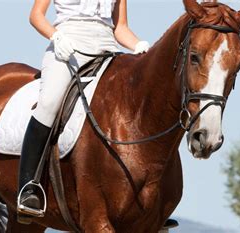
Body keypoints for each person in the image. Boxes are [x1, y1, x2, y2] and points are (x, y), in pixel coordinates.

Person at [17, 0, 150, 220]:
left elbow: (120, 27)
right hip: (68, 44)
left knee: (137, 104)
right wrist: (56, 36)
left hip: (107, 48)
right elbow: (36, 16)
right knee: (49, 103)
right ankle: (28, 187)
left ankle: (150, 198)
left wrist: (138, 45)